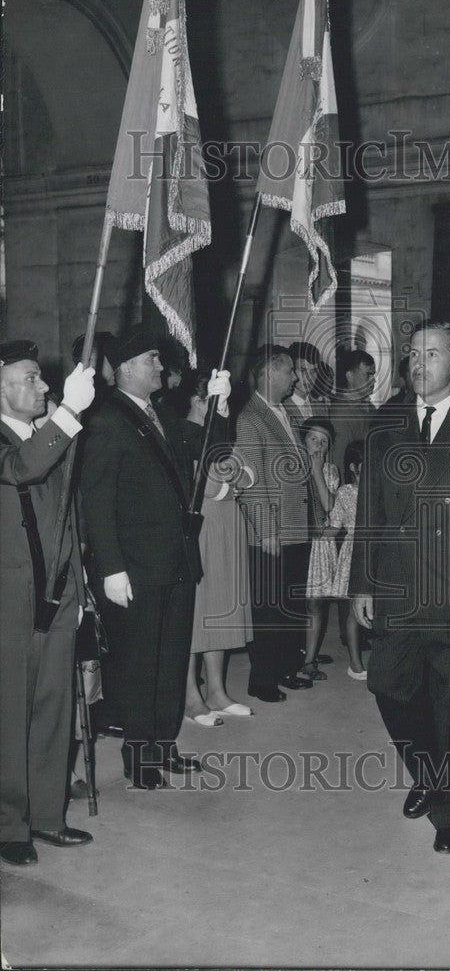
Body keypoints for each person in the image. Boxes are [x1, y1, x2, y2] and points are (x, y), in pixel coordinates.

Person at [350, 320, 450, 855]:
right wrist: (362, 584)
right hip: (395, 587)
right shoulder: (384, 422)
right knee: (388, 687)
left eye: (433, 353)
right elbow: (368, 510)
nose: (420, 363)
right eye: (414, 354)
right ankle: (426, 771)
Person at [79, 325, 231, 789]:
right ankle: (138, 755)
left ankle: (165, 745)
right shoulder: (107, 420)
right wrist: (109, 569)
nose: (161, 367)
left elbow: (211, 448)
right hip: (137, 567)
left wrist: (221, 407)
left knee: (169, 659)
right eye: (152, 360)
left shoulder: (158, 412)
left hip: (174, 561)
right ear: (127, 368)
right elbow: (97, 501)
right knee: (140, 663)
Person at [0, 340, 95, 865]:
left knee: (53, 708)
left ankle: (47, 816)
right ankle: (9, 824)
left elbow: (68, 521)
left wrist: (78, 592)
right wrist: (68, 413)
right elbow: (20, 470)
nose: (43, 387)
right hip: (8, 600)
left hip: (57, 596)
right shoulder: (27, 444)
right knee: (10, 711)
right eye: (31, 378)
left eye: (42, 379)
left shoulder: (49, 438)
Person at [234, 345, 313, 702]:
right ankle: (262, 679)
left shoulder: (287, 413)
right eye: (289, 371)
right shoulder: (250, 418)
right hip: (271, 530)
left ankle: (285, 669)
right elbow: (251, 481)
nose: (295, 377)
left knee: (291, 602)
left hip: (297, 526)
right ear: (268, 373)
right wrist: (265, 529)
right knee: (269, 608)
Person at [183, 372, 254, 726]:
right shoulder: (185, 435)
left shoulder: (220, 436)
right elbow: (206, 487)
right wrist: (230, 483)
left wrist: (232, 479)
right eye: (214, 401)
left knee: (221, 608)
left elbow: (249, 473)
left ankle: (216, 691)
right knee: (196, 613)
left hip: (228, 529)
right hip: (200, 531)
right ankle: (190, 698)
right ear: (198, 403)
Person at [323, 439, 367, 678]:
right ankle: (355, 663)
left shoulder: (379, 490)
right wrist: (315, 533)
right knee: (353, 611)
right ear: (353, 467)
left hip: (378, 551)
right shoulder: (345, 492)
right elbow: (335, 525)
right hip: (354, 552)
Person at [301, 417, 340, 680]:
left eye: (323, 442)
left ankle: (309, 660)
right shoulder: (291, 466)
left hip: (319, 545)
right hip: (296, 543)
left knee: (316, 605)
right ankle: (298, 651)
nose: (317, 445)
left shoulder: (330, 471)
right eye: (313, 439)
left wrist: (316, 471)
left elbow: (329, 507)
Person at [330, 349, 376, 481]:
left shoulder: (369, 407)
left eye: (373, 375)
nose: (374, 380)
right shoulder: (342, 412)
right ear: (350, 376)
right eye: (368, 375)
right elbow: (339, 461)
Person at [285, 342, 329, 433]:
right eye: (303, 370)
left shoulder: (322, 408)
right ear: (291, 371)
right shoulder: (282, 407)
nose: (310, 378)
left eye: (314, 371)